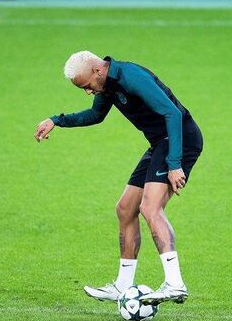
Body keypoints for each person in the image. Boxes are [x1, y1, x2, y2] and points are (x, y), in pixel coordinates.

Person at [34, 51, 203, 305]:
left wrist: (175, 164)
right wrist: (57, 121)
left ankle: (175, 284)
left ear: (97, 71)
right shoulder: (106, 86)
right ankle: (123, 284)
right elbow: (95, 116)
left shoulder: (130, 76)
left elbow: (172, 114)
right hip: (160, 143)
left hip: (179, 139)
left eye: (87, 86)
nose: (88, 92)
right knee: (125, 209)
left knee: (150, 207)